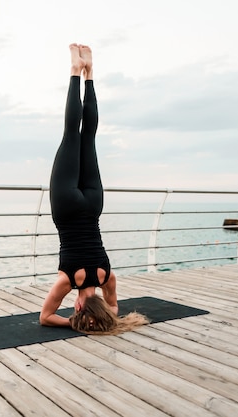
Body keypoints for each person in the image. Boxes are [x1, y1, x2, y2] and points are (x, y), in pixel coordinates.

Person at [39, 44, 148, 335]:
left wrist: (105, 317)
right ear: (76, 307)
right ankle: (75, 70)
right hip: (66, 207)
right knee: (71, 135)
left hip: (92, 205)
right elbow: (46, 317)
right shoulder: (68, 281)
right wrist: (75, 324)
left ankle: (89, 74)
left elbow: (112, 310)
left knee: (89, 137)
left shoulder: (106, 276)